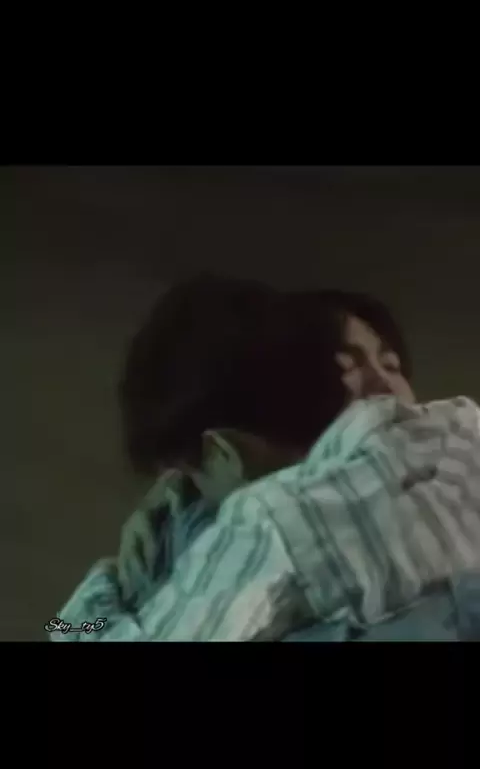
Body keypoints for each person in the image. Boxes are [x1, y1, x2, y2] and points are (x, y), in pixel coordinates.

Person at [50, 274, 480, 641]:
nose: (380, 388)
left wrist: (102, 588)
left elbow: (72, 631)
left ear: (221, 452)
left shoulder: (268, 523)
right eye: (349, 367)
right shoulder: (461, 425)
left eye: (390, 364)